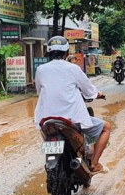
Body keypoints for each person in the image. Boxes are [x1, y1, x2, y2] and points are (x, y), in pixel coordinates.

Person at [34, 36, 111, 173]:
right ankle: (94, 163)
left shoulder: (41, 69)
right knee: (106, 127)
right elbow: (88, 90)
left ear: (49, 52)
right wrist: (97, 94)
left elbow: (40, 92)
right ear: (66, 53)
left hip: (46, 119)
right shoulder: (73, 69)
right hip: (72, 119)